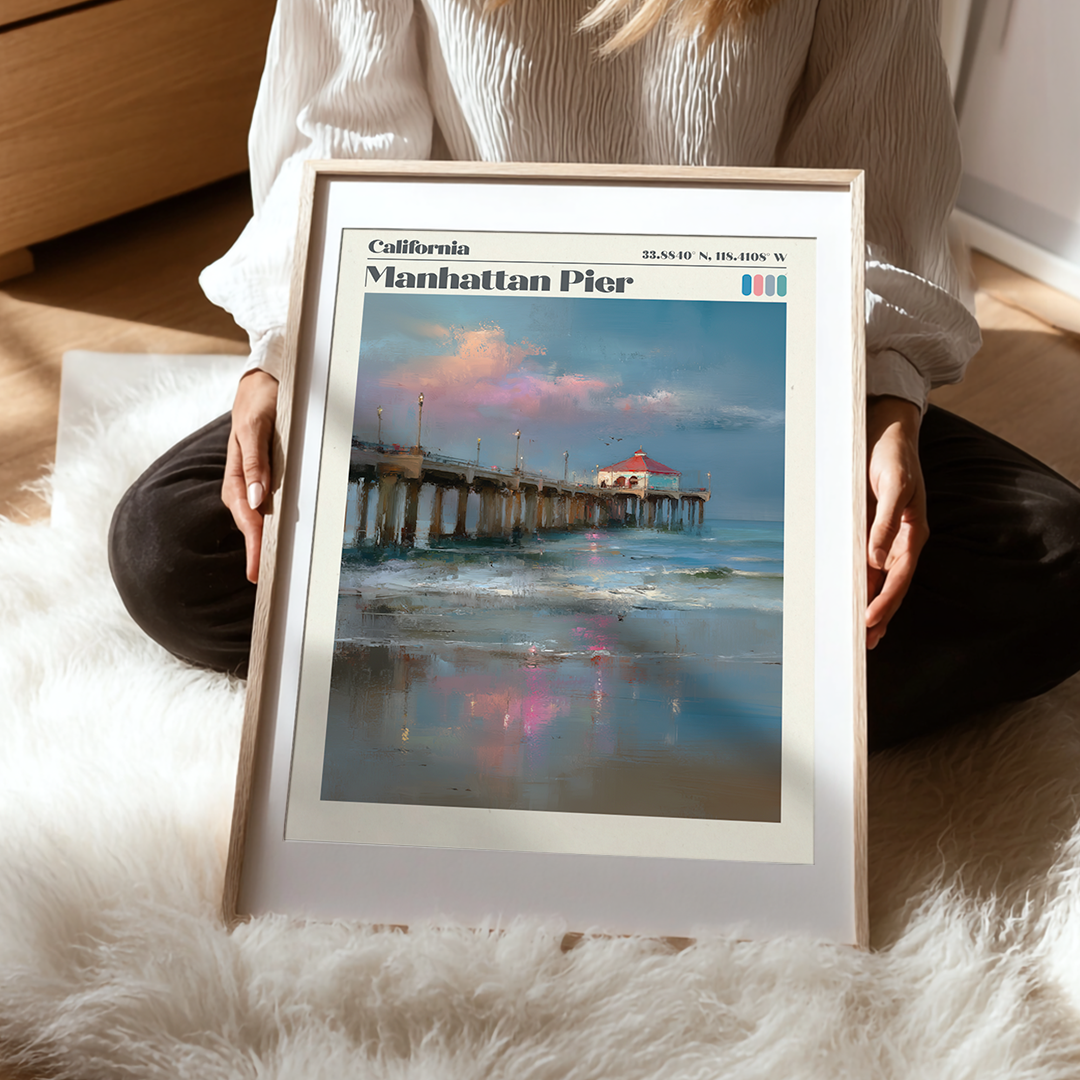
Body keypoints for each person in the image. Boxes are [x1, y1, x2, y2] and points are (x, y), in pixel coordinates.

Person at [108, 0, 1080, 749]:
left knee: (1057, 561)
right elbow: (337, 144)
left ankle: (513, 680)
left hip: (762, 365)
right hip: (467, 349)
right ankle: (702, 692)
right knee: (176, 548)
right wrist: (284, 354)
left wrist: (880, 402)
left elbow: (876, 177)